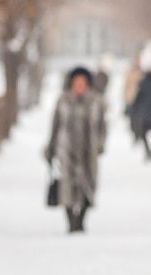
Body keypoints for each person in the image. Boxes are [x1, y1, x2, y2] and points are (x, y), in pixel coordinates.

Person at [46, 66, 107, 234]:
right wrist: (50, 148)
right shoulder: (63, 100)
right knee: (67, 185)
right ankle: (71, 220)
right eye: (77, 82)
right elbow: (55, 125)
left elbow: (102, 126)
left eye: (83, 82)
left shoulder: (96, 101)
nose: (80, 85)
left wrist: (101, 144)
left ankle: (82, 218)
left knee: (89, 184)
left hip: (89, 149)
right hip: (66, 148)